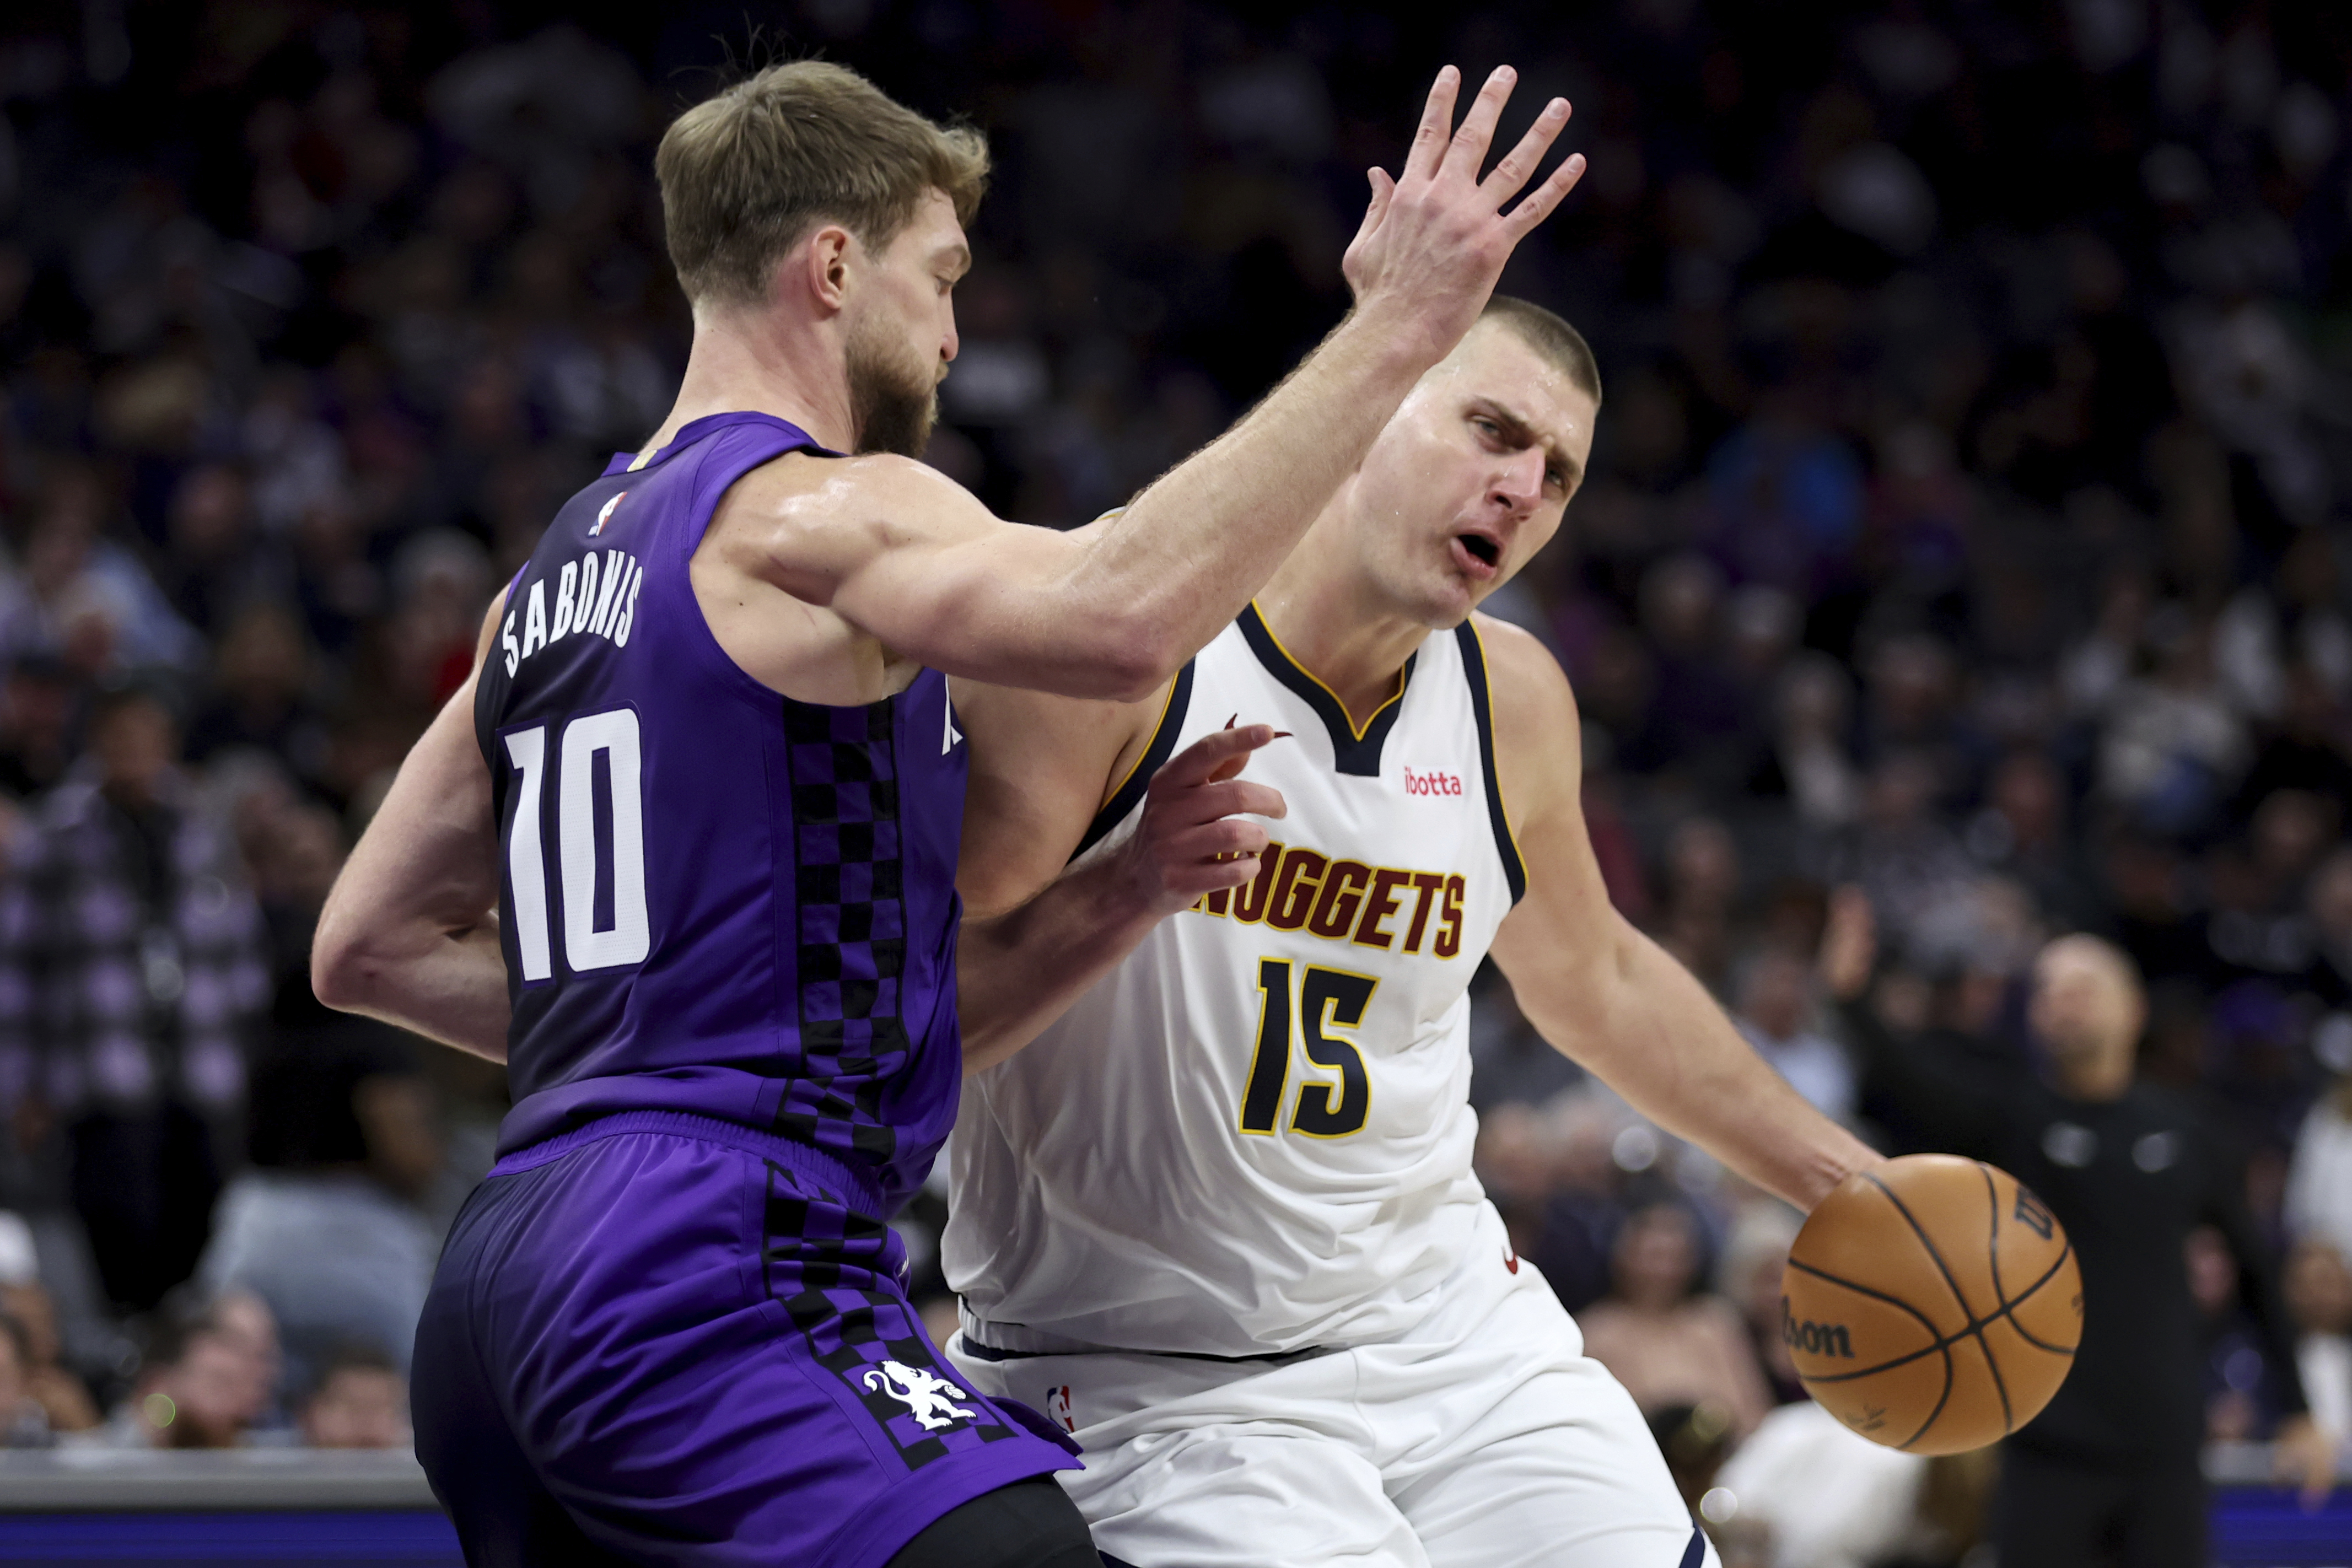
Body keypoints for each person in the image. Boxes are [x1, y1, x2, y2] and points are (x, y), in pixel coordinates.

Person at [311, 55, 1587, 1568]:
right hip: (707, 1263)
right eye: (941, 275)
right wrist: (1396, 333)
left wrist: (1116, 890)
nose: (952, 332)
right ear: (832, 268)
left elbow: (365, 945)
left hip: (501, 1278)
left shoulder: (548, 577)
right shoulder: (818, 507)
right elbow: (1123, 617)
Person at [941, 297, 1881, 1568]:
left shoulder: (1511, 698)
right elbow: (919, 1015)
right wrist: (1122, 891)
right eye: (1492, 431)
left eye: (1557, 474)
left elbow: (1600, 979)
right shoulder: (1109, 636)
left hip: (1453, 1337)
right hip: (1155, 1376)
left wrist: (1844, 1183)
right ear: (1365, 402)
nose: (1521, 489)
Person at [1817, 891, 2338, 1566]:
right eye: (2048, 990)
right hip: (2046, 1445)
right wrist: (1850, 999)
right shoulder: (2013, 1119)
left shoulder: (2188, 1130)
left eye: (2082, 986)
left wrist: (2298, 1410)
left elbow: (2257, 1273)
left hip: (2164, 1441)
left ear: (2132, 1008)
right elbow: (1907, 1084)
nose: (2063, 1001)